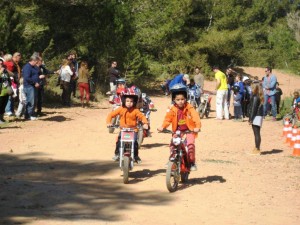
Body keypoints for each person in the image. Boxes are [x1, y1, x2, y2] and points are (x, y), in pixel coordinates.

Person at [157, 83, 201, 171]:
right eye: (178, 99)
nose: (180, 101)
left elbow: (195, 116)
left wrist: (197, 126)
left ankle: (192, 162)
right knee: (173, 145)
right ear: (174, 99)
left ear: (186, 98)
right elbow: (167, 119)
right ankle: (172, 160)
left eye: (182, 99)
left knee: (190, 145)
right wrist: (163, 126)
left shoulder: (189, 107)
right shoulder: (172, 109)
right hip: (177, 131)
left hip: (189, 131)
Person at [106, 89, 149, 163]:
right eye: (127, 101)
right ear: (124, 101)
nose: (129, 103)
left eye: (131, 101)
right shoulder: (121, 109)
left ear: (134, 102)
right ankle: (117, 154)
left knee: (135, 143)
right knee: (119, 141)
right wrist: (108, 122)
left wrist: (145, 123)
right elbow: (111, 115)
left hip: (133, 130)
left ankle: (136, 156)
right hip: (123, 130)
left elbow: (142, 117)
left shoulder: (136, 110)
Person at [22, 54, 45, 120]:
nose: (37, 63)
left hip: (34, 86)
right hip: (29, 86)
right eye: (36, 61)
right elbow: (27, 78)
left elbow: (35, 75)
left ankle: (30, 114)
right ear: (33, 60)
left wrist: (39, 77)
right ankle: (29, 115)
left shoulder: (33, 67)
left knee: (33, 101)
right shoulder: (27, 67)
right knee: (31, 101)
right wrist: (34, 82)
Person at [248, 81, 264, 155]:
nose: (251, 88)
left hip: (256, 116)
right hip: (259, 116)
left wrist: (250, 118)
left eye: (252, 87)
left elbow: (253, 108)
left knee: (256, 133)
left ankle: (257, 149)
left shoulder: (255, 96)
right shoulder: (259, 96)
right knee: (257, 133)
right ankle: (256, 147)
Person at [0, 59, 12, 124]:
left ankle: (1, 118)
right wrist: (0, 72)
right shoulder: (1, 71)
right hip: (0, 92)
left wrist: (10, 86)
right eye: (0, 64)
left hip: (6, 91)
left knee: (3, 106)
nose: (1, 65)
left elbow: (9, 77)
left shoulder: (5, 71)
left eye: (2, 64)